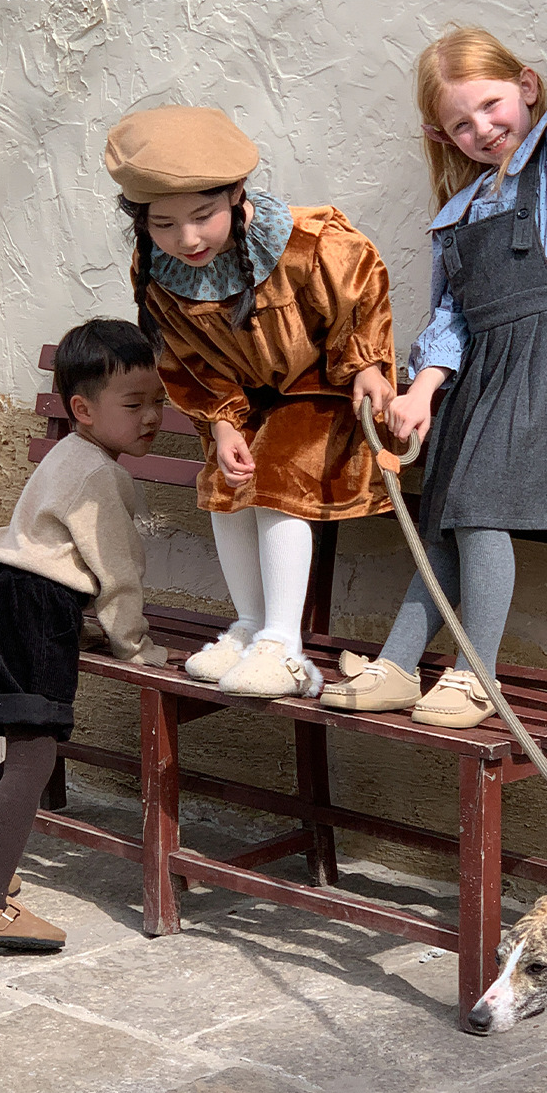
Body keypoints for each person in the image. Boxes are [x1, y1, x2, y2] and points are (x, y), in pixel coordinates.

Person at [320, 0, 547, 726]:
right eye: (461, 125)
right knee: (450, 513)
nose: (483, 129)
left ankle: (474, 675)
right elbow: (452, 318)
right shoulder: (456, 215)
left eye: (492, 105)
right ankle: (398, 664)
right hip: (489, 373)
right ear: (443, 137)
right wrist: (424, 389)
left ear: (527, 87)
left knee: (482, 506)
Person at [104, 105, 398, 701]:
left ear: (237, 194)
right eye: (163, 224)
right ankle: (249, 625)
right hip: (246, 403)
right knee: (226, 484)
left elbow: (361, 290)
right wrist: (220, 423)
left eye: (203, 216)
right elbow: (186, 356)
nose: (187, 239)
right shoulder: (159, 271)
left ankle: (283, 645)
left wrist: (367, 363)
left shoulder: (309, 244)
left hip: (324, 390)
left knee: (275, 479)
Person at [0, 319, 169, 952]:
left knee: (21, 754)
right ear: (82, 410)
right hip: (31, 613)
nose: (151, 416)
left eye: (158, 401)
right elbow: (117, 574)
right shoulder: (100, 476)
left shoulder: (71, 455)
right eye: (134, 404)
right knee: (34, 759)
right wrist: (136, 648)